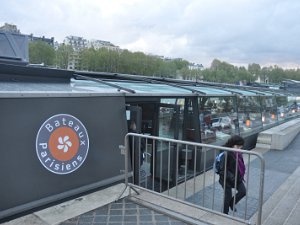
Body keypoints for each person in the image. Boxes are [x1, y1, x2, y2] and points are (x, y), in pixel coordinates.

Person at [219, 135, 246, 214]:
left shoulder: (237, 153)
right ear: (233, 144)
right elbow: (222, 169)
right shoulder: (226, 153)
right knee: (227, 197)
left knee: (243, 191)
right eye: (238, 146)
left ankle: (232, 203)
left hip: (237, 178)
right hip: (226, 179)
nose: (240, 148)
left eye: (240, 147)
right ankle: (225, 213)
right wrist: (232, 177)